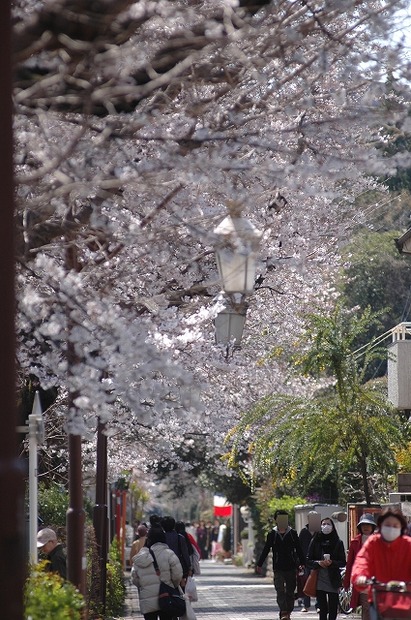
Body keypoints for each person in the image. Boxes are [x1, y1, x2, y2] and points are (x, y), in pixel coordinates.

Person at [351, 508, 411, 620]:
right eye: (387, 525)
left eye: (395, 526)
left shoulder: (408, 545)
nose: (391, 528)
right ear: (380, 526)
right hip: (379, 599)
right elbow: (362, 561)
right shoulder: (373, 543)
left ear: (401, 527)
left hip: (405, 600)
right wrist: (361, 576)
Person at [256, 509, 305, 620]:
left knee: (290, 591)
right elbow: (266, 549)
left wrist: (302, 563)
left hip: (291, 566)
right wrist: (259, 564)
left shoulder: (292, 533)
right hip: (278, 567)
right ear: (276, 520)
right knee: (280, 589)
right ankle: (283, 611)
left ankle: (288, 611)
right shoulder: (272, 534)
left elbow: (299, 549)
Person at [131, 526, 183, 620]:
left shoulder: (140, 556)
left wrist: (144, 585)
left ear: (149, 538)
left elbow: (134, 578)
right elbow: (178, 574)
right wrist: (172, 585)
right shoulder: (169, 553)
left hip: (147, 600)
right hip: (166, 597)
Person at [306, 517, 346, 620]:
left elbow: (342, 562)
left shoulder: (338, 542)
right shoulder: (315, 541)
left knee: (333, 607)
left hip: (333, 579)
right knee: (322, 608)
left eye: (328, 524)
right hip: (319, 578)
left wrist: (332, 563)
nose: (326, 526)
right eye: (323, 524)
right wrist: (318, 563)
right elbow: (308, 560)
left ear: (333, 527)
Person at [343, 513, 376, 620]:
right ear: (360, 527)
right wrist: (346, 582)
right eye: (363, 525)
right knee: (366, 607)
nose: (366, 527)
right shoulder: (355, 542)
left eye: (368, 525)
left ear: (373, 527)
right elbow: (350, 564)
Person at [298, 510, 321, 612]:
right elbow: (298, 547)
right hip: (306, 561)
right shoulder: (304, 531)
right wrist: (299, 562)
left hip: (318, 561)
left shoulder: (320, 532)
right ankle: (305, 605)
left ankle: (318, 605)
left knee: (319, 583)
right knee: (306, 582)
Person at [161, 516, 191, 581]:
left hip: (164, 567)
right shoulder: (180, 538)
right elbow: (185, 553)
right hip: (178, 566)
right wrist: (189, 567)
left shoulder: (160, 538)